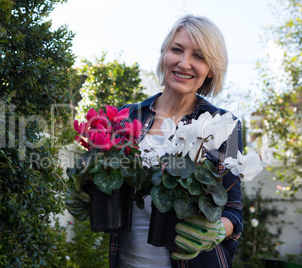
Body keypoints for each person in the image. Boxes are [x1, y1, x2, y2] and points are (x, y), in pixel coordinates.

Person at [66, 14, 243, 268]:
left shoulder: (227, 125)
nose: (184, 63)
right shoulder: (127, 116)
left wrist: (214, 231)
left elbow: (234, 213)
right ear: (164, 54)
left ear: (211, 69)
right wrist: (83, 191)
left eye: (199, 56)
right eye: (177, 50)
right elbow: (100, 179)